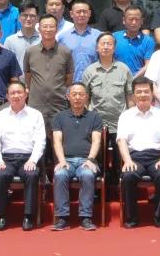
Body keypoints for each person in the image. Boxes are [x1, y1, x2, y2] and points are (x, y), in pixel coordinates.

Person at [117, 77, 160, 228]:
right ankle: (132, 217)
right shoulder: (126, 116)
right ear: (133, 95)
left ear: (152, 93)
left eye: (146, 91)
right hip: (135, 157)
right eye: (139, 92)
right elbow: (121, 141)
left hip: (156, 157)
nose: (143, 95)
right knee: (128, 176)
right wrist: (127, 161)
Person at [0, 80, 46, 231]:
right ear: (7, 96)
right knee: (0, 175)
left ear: (26, 94)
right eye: (12, 93)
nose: (16, 96)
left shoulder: (36, 115)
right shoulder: (0, 116)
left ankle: (28, 216)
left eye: (19, 92)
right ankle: (1, 216)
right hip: (6, 158)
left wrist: (33, 160)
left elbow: (40, 141)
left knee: (32, 175)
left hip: (27, 157)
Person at [51, 82, 103, 231]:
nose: (78, 97)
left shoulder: (95, 117)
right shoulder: (59, 117)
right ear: (68, 97)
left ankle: (86, 217)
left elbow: (96, 141)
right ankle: (62, 218)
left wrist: (90, 159)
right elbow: (57, 141)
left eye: (81, 94)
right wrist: (61, 160)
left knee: (87, 174)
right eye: (74, 94)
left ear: (86, 97)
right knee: (60, 174)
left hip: (86, 161)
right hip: (66, 160)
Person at [23, 14, 75, 128]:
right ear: (39, 29)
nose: (48, 29)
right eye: (45, 26)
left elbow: (69, 79)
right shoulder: (30, 52)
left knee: (58, 137)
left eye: (51, 26)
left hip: (59, 106)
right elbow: (28, 77)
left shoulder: (65, 52)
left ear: (56, 29)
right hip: (36, 106)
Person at [82, 32, 133, 131]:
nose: (106, 47)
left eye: (109, 44)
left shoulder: (124, 69)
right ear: (97, 48)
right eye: (103, 44)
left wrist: (131, 119)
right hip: (96, 125)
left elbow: (130, 97)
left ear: (114, 48)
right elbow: (85, 99)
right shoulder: (89, 71)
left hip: (120, 124)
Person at [59, 0, 100, 82]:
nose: (82, 14)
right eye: (78, 12)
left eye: (84, 12)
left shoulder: (99, 36)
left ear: (89, 14)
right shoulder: (62, 37)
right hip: (70, 84)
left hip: (94, 83)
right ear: (71, 14)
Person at [113, 6, 155, 77]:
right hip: (116, 79)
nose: (134, 22)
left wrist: (133, 79)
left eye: (137, 19)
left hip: (138, 80)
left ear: (142, 21)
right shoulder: (114, 37)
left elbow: (148, 65)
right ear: (124, 20)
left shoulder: (148, 41)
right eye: (130, 19)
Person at [4, 1, 42, 71]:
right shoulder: (10, 41)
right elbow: (6, 65)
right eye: (25, 15)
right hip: (17, 78)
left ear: (37, 18)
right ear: (19, 18)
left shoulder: (43, 39)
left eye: (32, 16)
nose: (28, 19)